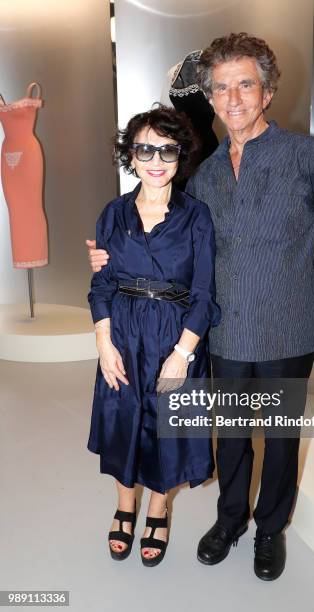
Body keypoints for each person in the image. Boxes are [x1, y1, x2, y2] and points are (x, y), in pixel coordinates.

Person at [87, 33, 314, 580]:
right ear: (208, 98)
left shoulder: (310, 157)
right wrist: (109, 262)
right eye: (221, 89)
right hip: (225, 329)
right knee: (231, 435)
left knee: (278, 437)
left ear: (268, 91)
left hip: (287, 327)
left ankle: (269, 530)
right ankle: (230, 518)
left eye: (246, 85)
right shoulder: (204, 174)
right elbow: (175, 243)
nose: (233, 99)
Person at [87, 105, 220, 567]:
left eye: (167, 149)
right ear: (130, 154)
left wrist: (183, 355)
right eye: (145, 148)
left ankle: (158, 509)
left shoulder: (196, 217)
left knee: (169, 431)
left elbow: (204, 294)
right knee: (123, 423)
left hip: (174, 337)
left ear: (181, 155)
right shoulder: (113, 213)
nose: (157, 159)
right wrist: (104, 343)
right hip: (122, 334)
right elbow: (100, 284)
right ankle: (125, 507)